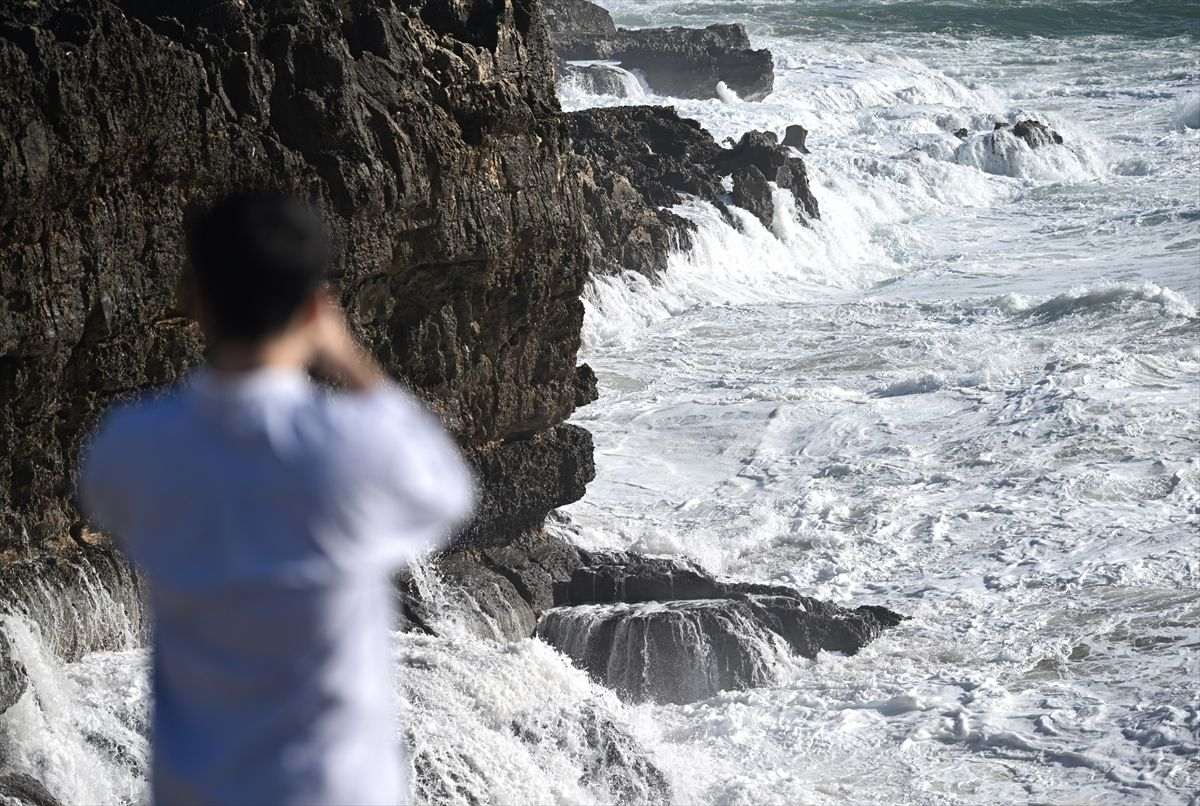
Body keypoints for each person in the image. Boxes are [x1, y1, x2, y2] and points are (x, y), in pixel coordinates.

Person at [79, 192, 476, 805]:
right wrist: (347, 357)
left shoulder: (133, 444)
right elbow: (448, 489)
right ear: (316, 310)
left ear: (197, 303)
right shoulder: (356, 447)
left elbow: (109, 503)